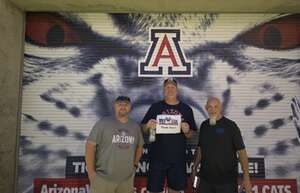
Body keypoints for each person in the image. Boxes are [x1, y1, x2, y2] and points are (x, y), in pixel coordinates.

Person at [141, 78, 197, 193]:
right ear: (163, 90)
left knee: (176, 190)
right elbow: (143, 128)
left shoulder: (186, 109)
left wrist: (187, 131)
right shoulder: (155, 107)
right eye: (167, 87)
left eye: (172, 87)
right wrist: (147, 126)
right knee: (154, 190)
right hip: (157, 157)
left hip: (178, 159)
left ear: (177, 90)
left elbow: (191, 134)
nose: (170, 89)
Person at [191, 97, 252, 193]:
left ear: (221, 108)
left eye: (216, 107)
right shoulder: (204, 126)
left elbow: (241, 152)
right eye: (210, 107)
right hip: (205, 181)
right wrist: (194, 168)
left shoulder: (231, 126)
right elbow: (200, 149)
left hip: (227, 183)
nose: (213, 110)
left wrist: (246, 177)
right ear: (206, 108)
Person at [85, 96, 144, 193]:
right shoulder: (103, 123)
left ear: (130, 107)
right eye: (120, 104)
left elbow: (140, 147)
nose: (123, 106)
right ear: (114, 106)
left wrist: (135, 165)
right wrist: (91, 173)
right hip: (103, 180)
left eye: (126, 104)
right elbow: (90, 146)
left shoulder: (135, 126)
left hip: (126, 181)